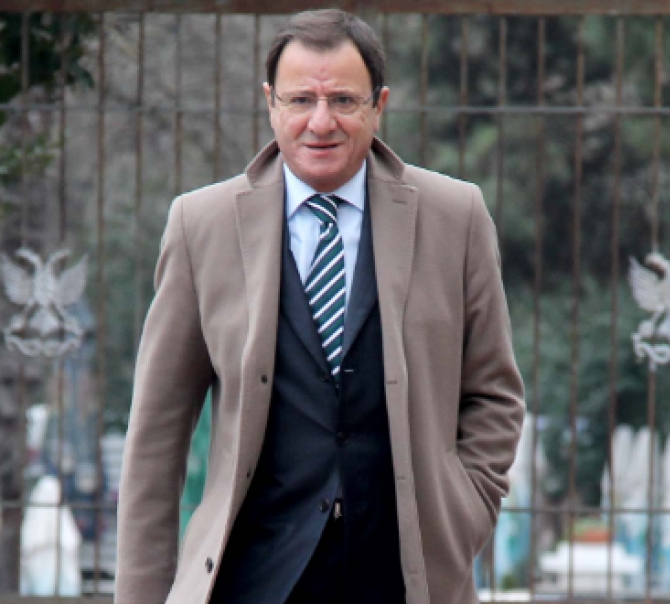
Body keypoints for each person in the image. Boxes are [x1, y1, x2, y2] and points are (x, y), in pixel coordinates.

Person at [114, 9, 525, 604]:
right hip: (251, 581)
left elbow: (494, 395)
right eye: (301, 99)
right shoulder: (201, 225)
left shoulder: (455, 217)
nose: (321, 122)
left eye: (344, 101)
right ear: (270, 103)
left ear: (379, 105)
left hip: (405, 580)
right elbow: (157, 433)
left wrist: (463, 514)